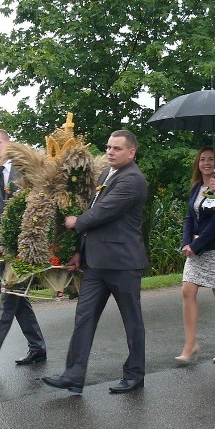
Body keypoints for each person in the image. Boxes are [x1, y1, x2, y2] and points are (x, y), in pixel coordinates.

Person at [41, 130, 148, 394]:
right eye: (109, 147)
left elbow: (103, 211)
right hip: (96, 263)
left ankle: (134, 375)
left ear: (131, 152)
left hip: (123, 263)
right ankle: (74, 375)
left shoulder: (133, 180)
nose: (110, 152)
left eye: (117, 148)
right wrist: (80, 251)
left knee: (131, 321)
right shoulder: (106, 175)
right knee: (84, 317)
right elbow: (96, 211)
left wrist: (77, 221)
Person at [0, 129, 46, 371]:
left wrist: (30, 240)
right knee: (17, 298)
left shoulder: (25, 169)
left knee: (10, 294)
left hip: (28, 242)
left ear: (9, 143)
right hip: (3, 247)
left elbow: (38, 205)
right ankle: (37, 347)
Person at [176, 147, 215, 363]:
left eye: (211, 159)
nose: (206, 163)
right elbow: (188, 218)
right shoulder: (196, 187)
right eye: (202, 159)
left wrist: (197, 244)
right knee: (187, 290)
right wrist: (186, 243)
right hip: (195, 247)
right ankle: (190, 344)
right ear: (198, 164)